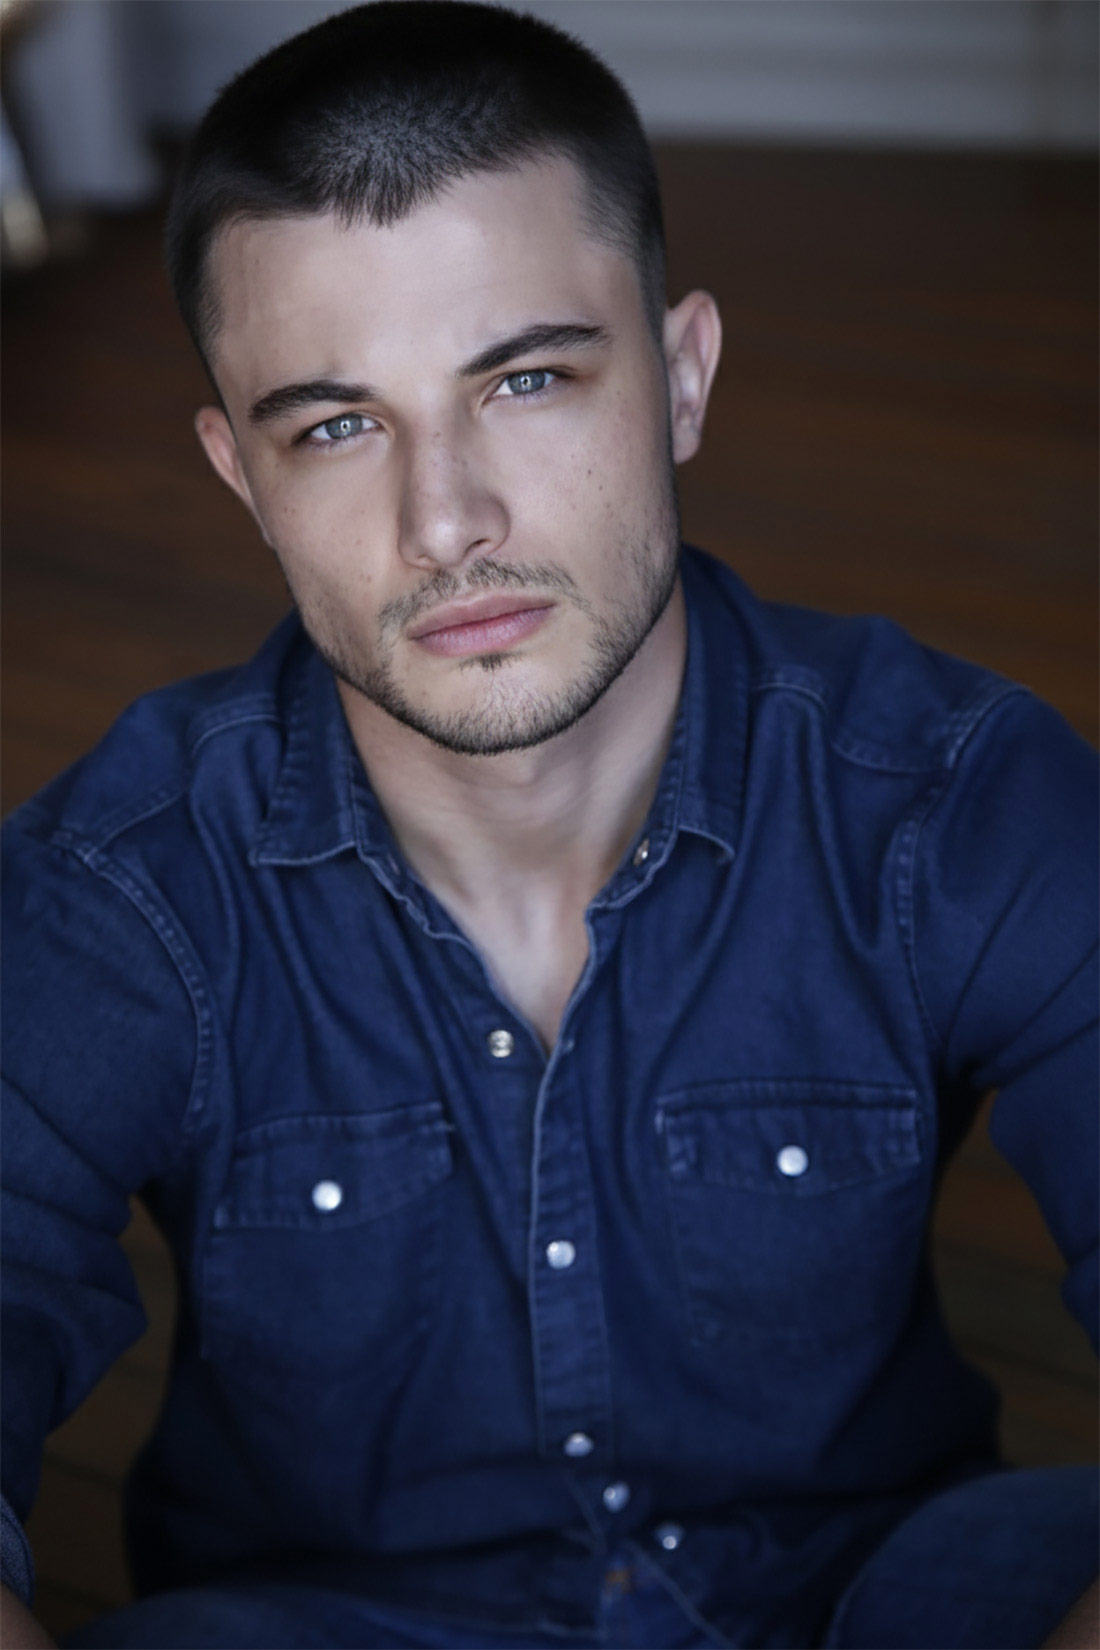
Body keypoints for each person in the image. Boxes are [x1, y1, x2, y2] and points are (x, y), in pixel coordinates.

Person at [2, 4, 1097, 1647]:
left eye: (524, 379)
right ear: (242, 476)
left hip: (868, 1592)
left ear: (683, 377)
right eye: (336, 424)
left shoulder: (945, 798)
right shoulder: (125, 889)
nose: (447, 520)